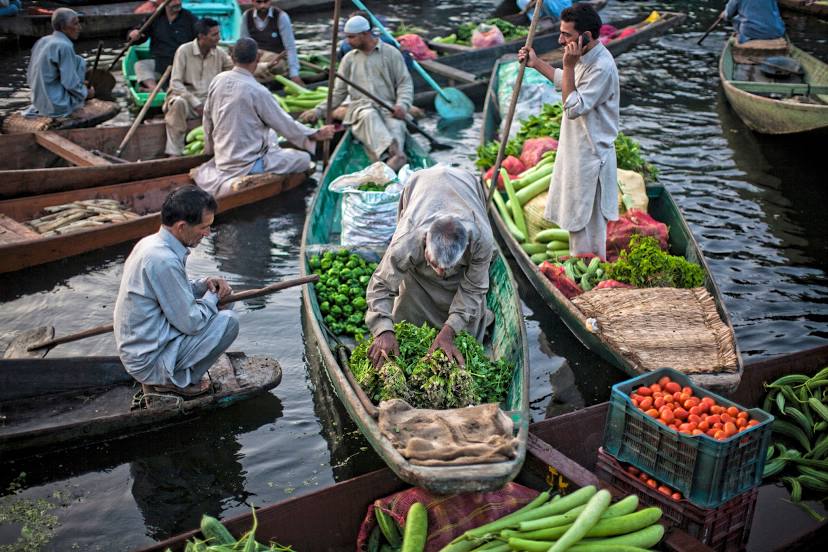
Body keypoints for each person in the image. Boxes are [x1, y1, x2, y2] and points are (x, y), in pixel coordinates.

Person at [365, 164, 495, 369]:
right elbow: (381, 285)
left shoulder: (481, 240)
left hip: (465, 185)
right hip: (422, 186)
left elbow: (474, 288)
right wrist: (383, 330)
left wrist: (449, 331)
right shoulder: (407, 241)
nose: (440, 273)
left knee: (468, 327)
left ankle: (451, 330)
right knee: (405, 314)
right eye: (435, 265)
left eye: (446, 268)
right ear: (425, 246)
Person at [113, 185, 238, 398]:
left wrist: (204, 284)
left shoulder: (152, 244)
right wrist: (213, 297)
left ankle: (175, 372)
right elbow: (192, 322)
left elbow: (175, 289)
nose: (207, 234)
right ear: (181, 227)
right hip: (149, 361)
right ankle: (175, 381)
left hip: (148, 344)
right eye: (203, 228)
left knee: (224, 300)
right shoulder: (163, 260)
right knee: (229, 321)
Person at [518, 3, 619, 260]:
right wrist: (537, 63)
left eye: (567, 35)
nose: (560, 40)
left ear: (586, 36)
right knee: (576, 221)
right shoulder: (586, 57)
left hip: (592, 157)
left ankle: (591, 277)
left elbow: (573, 106)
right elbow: (566, 80)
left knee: (588, 227)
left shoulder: (602, 67)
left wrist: (570, 65)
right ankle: (581, 267)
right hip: (577, 151)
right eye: (561, 33)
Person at [192, 38, 336, 196]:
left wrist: (210, 149)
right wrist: (314, 133)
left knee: (271, 135)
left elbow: (207, 119)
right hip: (249, 163)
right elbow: (285, 124)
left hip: (223, 159)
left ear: (232, 58)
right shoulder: (258, 90)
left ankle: (233, 172)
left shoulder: (217, 80)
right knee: (303, 159)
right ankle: (242, 180)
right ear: (258, 58)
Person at [300, 15, 412, 171]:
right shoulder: (348, 60)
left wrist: (402, 105)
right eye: (347, 37)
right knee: (369, 115)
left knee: (397, 126)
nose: (347, 42)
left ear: (365, 34)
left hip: (388, 109)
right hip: (361, 111)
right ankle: (393, 155)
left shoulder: (391, 53)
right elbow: (338, 94)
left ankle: (390, 162)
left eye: (351, 37)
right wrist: (318, 111)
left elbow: (404, 83)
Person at [164, 17, 233, 156]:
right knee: (178, 103)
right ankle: (174, 153)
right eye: (214, 35)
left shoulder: (219, 53)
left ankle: (220, 150)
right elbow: (175, 83)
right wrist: (195, 103)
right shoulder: (184, 51)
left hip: (210, 103)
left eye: (219, 34)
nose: (218, 38)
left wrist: (264, 67)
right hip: (188, 102)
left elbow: (237, 69)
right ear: (202, 36)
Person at [23, 8, 94, 118]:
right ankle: (75, 103)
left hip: (38, 102)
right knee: (79, 63)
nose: (79, 27)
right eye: (75, 24)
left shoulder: (43, 40)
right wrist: (85, 92)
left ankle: (76, 92)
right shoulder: (64, 46)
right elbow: (69, 83)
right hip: (56, 106)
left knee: (78, 59)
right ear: (63, 27)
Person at [128, 0, 198, 91]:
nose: (177, 3)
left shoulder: (189, 18)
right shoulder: (154, 18)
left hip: (182, 64)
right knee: (140, 65)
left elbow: (200, 36)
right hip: (160, 64)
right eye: (173, 1)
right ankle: (154, 89)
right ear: (163, 3)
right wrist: (134, 35)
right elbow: (139, 36)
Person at [239, 0, 304, 85]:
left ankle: (260, 75)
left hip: (275, 59)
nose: (263, 6)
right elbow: (244, 44)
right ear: (253, 2)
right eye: (259, 2)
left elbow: (290, 47)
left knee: (278, 66)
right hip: (257, 58)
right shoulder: (246, 16)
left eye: (265, 2)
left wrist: (294, 74)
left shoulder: (281, 16)